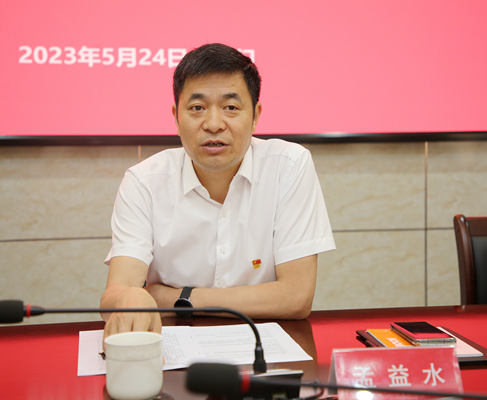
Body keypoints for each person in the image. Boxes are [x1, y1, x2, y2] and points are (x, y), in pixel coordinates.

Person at [101, 43, 335, 339]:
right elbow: (116, 295)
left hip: (265, 350)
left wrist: (175, 299)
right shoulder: (144, 181)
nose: (213, 124)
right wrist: (128, 298)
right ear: (176, 117)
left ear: (255, 116)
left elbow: (296, 297)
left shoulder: (288, 166)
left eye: (231, 108)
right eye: (197, 108)